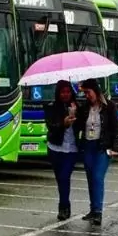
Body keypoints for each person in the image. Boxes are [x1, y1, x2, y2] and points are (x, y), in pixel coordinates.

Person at [75, 79, 118, 226]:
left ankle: (98, 212)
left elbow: (116, 128)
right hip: (88, 145)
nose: (87, 95)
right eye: (84, 93)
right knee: (91, 178)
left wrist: (116, 147)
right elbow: (78, 125)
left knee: (97, 177)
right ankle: (93, 209)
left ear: (96, 91)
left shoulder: (109, 106)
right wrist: (73, 114)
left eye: (88, 92)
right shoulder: (84, 107)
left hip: (102, 146)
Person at [44, 80, 80, 220]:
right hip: (55, 148)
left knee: (65, 177)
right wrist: (63, 124)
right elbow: (51, 126)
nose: (65, 94)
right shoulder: (51, 107)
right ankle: (64, 205)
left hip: (71, 149)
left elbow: (83, 124)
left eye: (68, 91)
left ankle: (64, 207)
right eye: (62, 92)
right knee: (60, 179)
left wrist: (76, 113)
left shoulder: (78, 106)